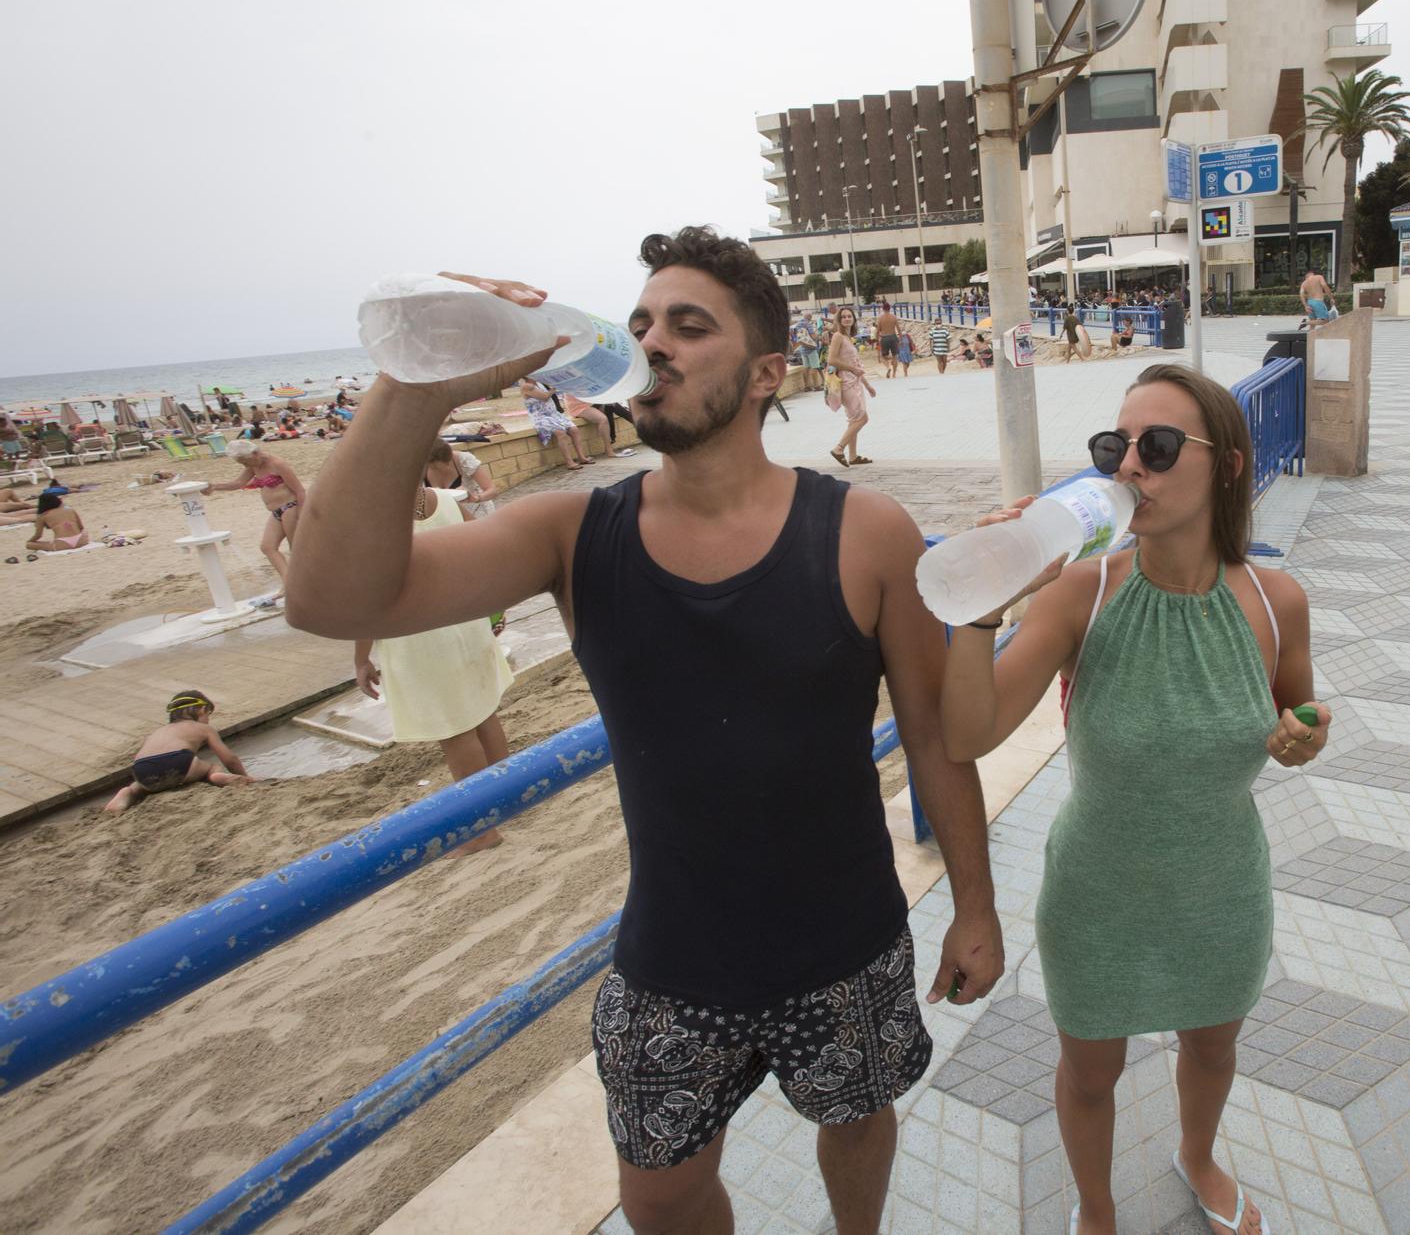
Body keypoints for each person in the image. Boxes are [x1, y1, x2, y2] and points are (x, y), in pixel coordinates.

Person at [286, 227, 1003, 1233]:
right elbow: (326, 595)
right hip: (673, 959)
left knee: (855, 1116)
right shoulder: (574, 535)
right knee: (657, 1194)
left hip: (848, 945)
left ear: (763, 373)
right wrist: (417, 383)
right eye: (639, 324)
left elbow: (932, 739)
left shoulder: (862, 531)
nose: (652, 342)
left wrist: (975, 904)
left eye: (687, 324)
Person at [939, 362, 1327, 1235]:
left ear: (1226, 464)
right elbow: (968, 733)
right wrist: (978, 605)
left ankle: (1197, 1155)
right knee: (1088, 1072)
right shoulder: (1085, 592)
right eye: (1116, 448)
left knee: (1214, 1044)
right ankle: (1098, 1207)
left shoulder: (1277, 601)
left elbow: (1295, 714)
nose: (1130, 470)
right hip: (1097, 892)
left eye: (1157, 447)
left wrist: (1306, 733)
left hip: (1221, 887)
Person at [353, 483, 513, 856]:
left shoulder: (378, 519)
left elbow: (368, 598)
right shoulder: (443, 500)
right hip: (463, 618)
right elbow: (489, 546)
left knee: (455, 730)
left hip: (420, 634)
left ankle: (482, 830)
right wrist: (494, 602)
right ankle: (510, 797)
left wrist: (361, 658)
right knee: (483, 714)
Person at [103, 690, 253, 814]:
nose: (208, 720)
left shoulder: (157, 732)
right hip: (177, 763)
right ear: (202, 710)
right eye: (208, 715)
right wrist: (244, 776)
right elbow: (229, 759)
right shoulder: (204, 728)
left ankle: (124, 795)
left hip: (142, 770)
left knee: (136, 788)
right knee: (210, 766)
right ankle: (217, 776)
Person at [210, 439, 306, 583]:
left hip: (290, 507)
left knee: (296, 549)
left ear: (255, 453)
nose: (245, 465)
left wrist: (303, 514)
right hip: (276, 511)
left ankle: (303, 584)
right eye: (242, 463)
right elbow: (239, 483)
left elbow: (299, 490)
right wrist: (213, 487)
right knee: (267, 547)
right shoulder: (254, 464)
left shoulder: (277, 464)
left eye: (246, 462)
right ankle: (288, 583)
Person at [825, 305, 877, 467]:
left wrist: (867, 386)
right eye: (844, 316)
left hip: (854, 381)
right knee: (862, 418)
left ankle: (853, 456)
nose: (847, 318)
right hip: (845, 382)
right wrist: (852, 369)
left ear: (853, 319)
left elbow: (856, 364)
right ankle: (839, 448)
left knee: (854, 419)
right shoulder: (838, 336)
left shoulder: (847, 338)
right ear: (839, 320)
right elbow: (831, 361)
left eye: (850, 316)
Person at [518, 377, 591, 469]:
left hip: (554, 415)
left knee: (574, 430)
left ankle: (582, 457)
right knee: (561, 433)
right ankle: (569, 462)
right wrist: (553, 389)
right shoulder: (527, 386)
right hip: (540, 417)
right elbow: (545, 397)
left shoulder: (540, 383)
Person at [425, 440, 499, 520]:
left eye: (447, 463)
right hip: (448, 519)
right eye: (434, 468)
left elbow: (493, 490)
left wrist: (476, 498)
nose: (444, 468)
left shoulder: (464, 460)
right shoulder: (420, 468)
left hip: (477, 513)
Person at [23, 491, 89, 552]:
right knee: (83, 532)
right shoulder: (69, 509)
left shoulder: (42, 516)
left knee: (29, 545)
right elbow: (81, 528)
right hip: (81, 541)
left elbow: (38, 535)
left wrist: (29, 541)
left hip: (62, 544)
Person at [875, 304, 903, 378]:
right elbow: (899, 329)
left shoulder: (880, 318)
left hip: (884, 338)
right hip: (893, 337)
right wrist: (901, 339)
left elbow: (877, 331)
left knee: (883, 356)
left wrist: (877, 340)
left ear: (883, 309)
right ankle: (894, 374)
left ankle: (888, 368)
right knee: (895, 356)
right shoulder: (893, 317)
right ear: (890, 308)